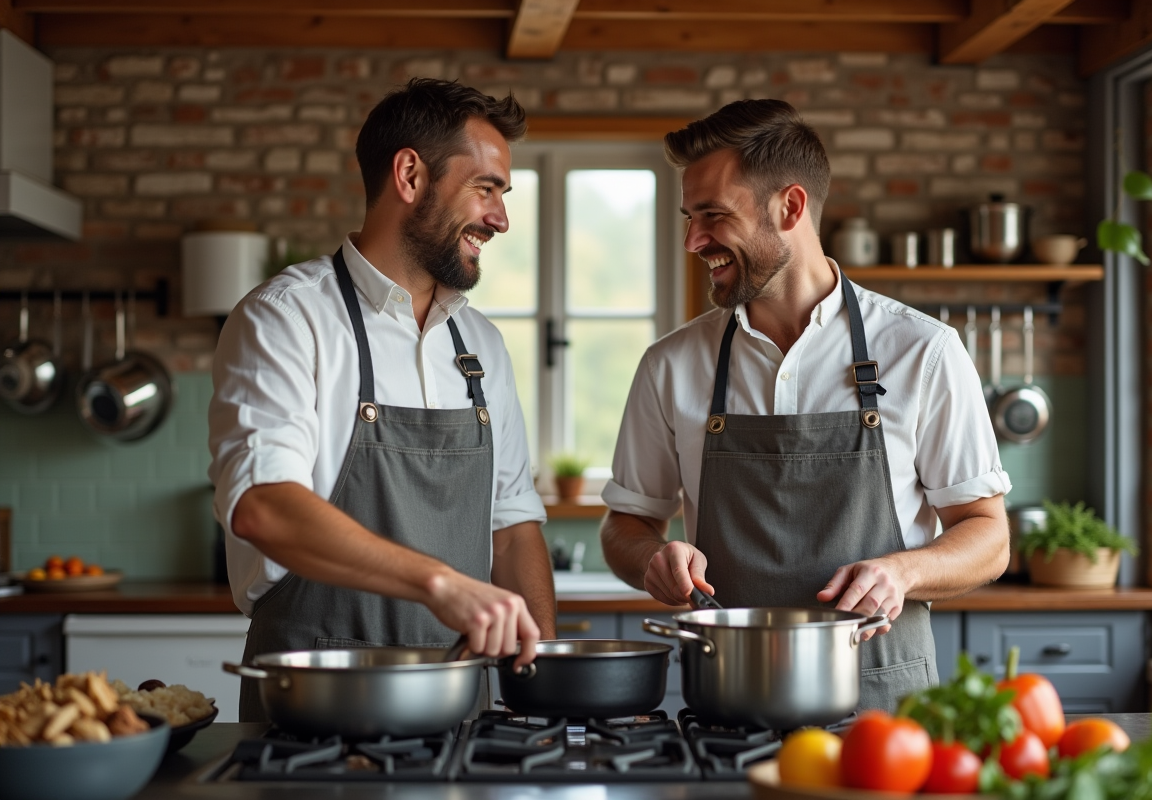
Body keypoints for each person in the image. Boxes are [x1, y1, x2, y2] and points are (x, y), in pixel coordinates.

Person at [599, 99, 1011, 712]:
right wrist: (652, 559)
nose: (693, 240)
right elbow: (624, 526)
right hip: (730, 708)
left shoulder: (922, 351)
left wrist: (904, 573)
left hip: (885, 716)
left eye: (714, 216)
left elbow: (989, 536)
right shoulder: (671, 364)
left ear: (790, 207)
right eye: (689, 218)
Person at [208, 78, 555, 721]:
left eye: (502, 195)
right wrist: (439, 584)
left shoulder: (480, 343)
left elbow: (511, 528)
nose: (500, 219)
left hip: (459, 704)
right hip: (313, 703)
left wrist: (545, 678)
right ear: (410, 176)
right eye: (485, 188)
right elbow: (263, 507)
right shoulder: (286, 318)